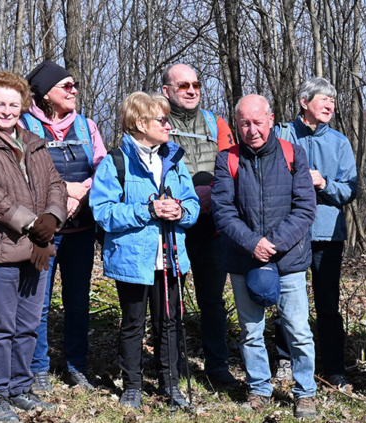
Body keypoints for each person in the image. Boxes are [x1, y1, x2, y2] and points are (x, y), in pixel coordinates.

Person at [0, 71, 67, 422]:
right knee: (1, 326)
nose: (6, 110)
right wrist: (33, 224)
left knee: (28, 324)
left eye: (13, 103)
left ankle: (21, 387)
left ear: (23, 105)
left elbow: (54, 183)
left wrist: (51, 218)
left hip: (37, 248)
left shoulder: (34, 141)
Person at [213, 94, 319, 419]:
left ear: (271, 119)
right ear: (237, 124)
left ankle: (305, 393)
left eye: (258, 122)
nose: (252, 129)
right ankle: (259, 388)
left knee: (298, 330)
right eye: (244, 123)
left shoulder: (293, 154)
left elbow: (305, 209)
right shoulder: (226, 159)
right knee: (251, 331)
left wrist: (271, 244)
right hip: (243, 259)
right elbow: (222, 211)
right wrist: (252, 243)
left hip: (288, 261)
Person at [91, 92, 199, 410]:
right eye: (162, 120)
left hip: (170, 257)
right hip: (133, 260)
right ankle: (133, 387)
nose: (168, 126)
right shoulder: (115, 163)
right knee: (133, 323)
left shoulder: (175, 160)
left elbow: (192, 204)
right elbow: (103, 211)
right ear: (140, 123)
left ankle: (171, 386)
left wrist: (180, 212)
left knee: (169, 323)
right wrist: (148, 210)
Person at [22, 60, 108, 392]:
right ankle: (38, 367)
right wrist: (65, 191)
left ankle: (77, 367)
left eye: (74, 85)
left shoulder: (88, 127)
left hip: (81, 232)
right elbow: (24, 171)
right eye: (66, 86)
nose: (74, 91)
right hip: (42, 234)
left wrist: (82, 194)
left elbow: (103, 167)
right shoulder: (25, 124)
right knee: (38, 303)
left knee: (78, 301)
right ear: (45, 94)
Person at [271, 77, 359, 390]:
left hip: (326, 233)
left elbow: (351, 189)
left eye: (332, 101)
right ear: (304, 101)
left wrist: (324, 184)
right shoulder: (280, 135)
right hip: (290, 232)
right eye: (323, 99)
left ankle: (334, 368)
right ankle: (285, 362)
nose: (329, 105)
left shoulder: (340, 142)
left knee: (327, 303)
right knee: (287, 302)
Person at [160, 63, 239, 386]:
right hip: (171, 224)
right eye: (183, 86)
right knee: (169, 300)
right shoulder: (156, 121)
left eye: (196, 84)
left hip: (211, 225)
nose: (191, 90)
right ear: (166, 91)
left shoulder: (215, 123)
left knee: (212, 300)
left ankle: (217, 365)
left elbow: (232, 166)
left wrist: (211, 195)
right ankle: (170, 365)